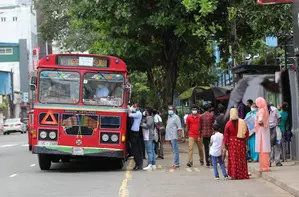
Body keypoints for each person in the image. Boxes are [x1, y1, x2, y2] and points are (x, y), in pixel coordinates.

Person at [223, 108, 249, 179]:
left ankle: (234, 175)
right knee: (241, 158)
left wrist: (225, 144)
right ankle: (242, 174)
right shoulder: (242, 122)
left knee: (233, 159)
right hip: (241, 142)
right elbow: (246, 132)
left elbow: (226, 135)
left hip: (232, 143)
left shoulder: (228, 124)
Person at [255, 97, 271, 172]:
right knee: (264, 148)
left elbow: (260, 119)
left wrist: (259, 122)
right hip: (264, 131)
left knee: (263, 149)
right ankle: (265, 166)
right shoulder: (265, 110)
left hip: (261, 132)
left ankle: (264, 166)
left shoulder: (261, 110)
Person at [128, 104, 143, 170]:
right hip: (134, 132)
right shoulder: (137, 113)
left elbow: (129, 114)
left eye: (135, 106)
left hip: (135, 132)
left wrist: (129, 108)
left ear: (138, 107)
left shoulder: (139, 114)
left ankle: (138, 164)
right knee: (134, 149)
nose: (134, 108)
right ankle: (137, 163)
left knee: (135, 149)